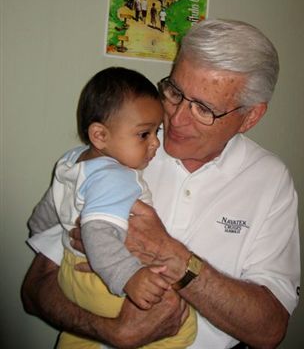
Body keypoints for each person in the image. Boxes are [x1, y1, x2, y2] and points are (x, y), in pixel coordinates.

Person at [22, 19, 300, 349]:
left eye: (203, 109)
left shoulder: (270, 180)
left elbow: (269, 330)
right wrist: (113, 332)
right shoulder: (119, 149)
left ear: (251, 117)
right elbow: (34, 288)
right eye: (175, 92)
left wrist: (170, 254)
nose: (176, 119)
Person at [26, 67, 196, 349]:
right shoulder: (116, 176)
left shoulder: (72, 162)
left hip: (72, 275)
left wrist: (42, 235)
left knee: (79, 340)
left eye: (157, 131)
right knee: (183, 325)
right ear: (100, 136)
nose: (155, 143)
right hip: (107, 284)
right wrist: (129, 276)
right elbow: (98, 231)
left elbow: (47, 210)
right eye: (144, 134)